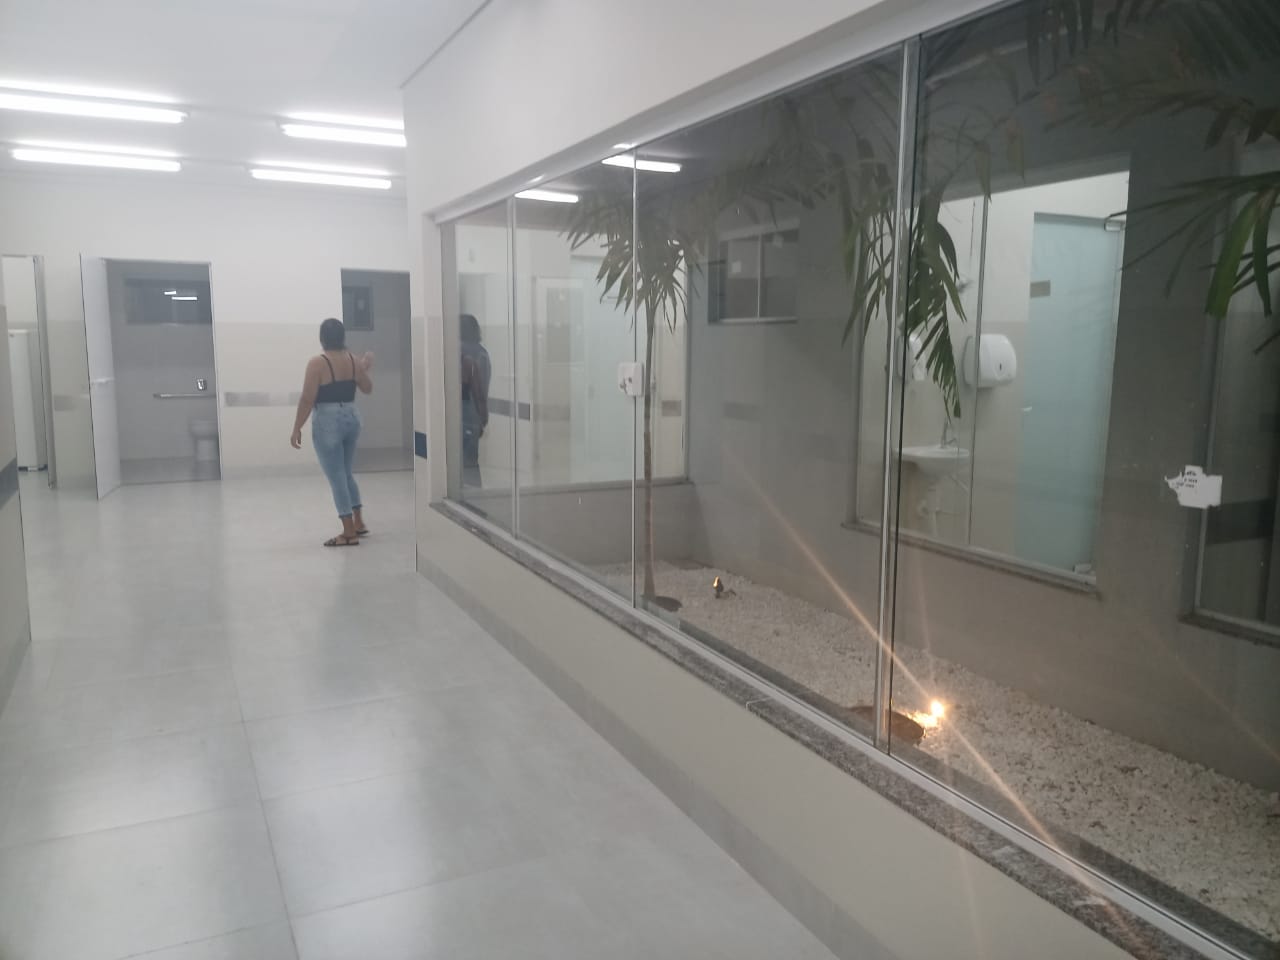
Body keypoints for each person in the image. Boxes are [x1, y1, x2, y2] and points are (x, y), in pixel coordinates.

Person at [291, 317, 373, 546]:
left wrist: (297, 427)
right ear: (342, 337)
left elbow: (307, 398)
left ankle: (348, 532)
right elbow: (367, 388)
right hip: (352, 418)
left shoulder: (317, 363)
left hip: (328, 421)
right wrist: (364, 368)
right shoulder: (353, 360)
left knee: (336, 476)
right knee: (346, 473)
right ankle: (358, 522)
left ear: (322, 338)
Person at [460, 313, 491, 487]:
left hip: (463, 414)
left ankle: (467, 495)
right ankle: (475, 495)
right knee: (471, 461)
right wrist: (483, 416)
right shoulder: (482, 354)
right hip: (472, 415)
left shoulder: (457, 352)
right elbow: (482, 389)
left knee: (461, 461)